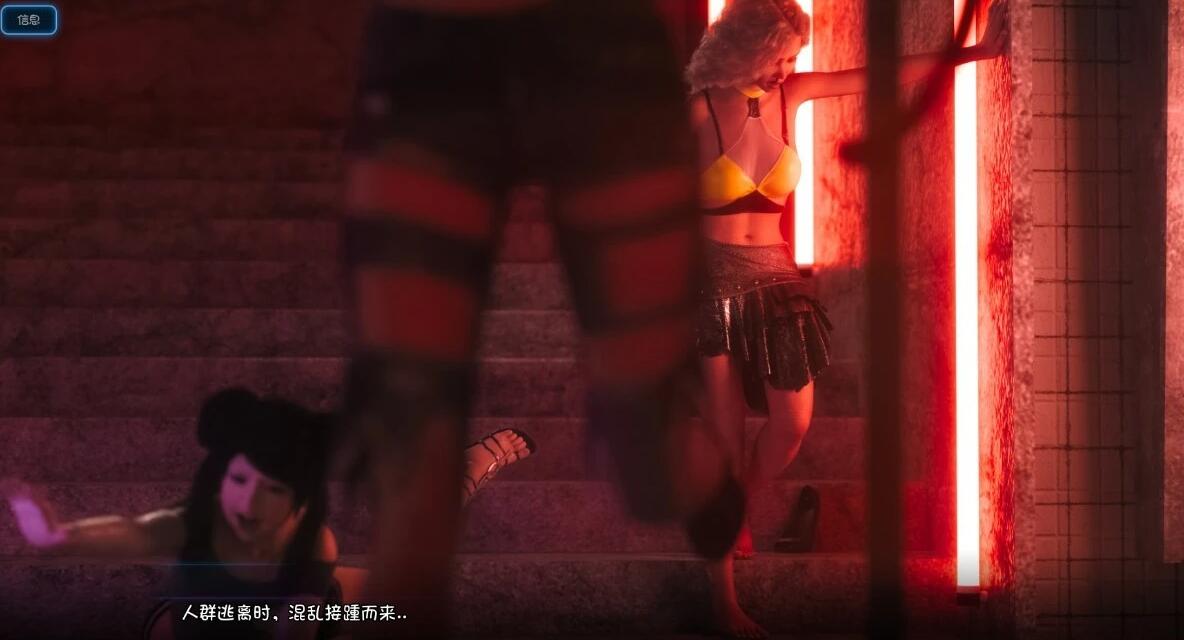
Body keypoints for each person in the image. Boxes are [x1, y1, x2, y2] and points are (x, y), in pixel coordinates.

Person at [337, 1, 746, 634]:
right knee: (413, 478)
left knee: (649, 452)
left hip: (600, 47)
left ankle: (685, 463)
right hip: (434, 51)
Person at [685, 0, 1009, 636]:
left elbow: (882, 75)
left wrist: (973, 52)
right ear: (747, 48)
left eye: (793, 57)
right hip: (712, 283)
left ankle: (738, 504)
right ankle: (724, 605)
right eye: (780, 56)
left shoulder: (795, 94)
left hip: (778, 279)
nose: (788, 68)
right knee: (724, 442)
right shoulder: (697, 109)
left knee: (792, 424)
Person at [1, 388, 534, 639]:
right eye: (239, 482)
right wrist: (57, 536)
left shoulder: (313, 541)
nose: (249, 502)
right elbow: (133, 532)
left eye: (273, 490)